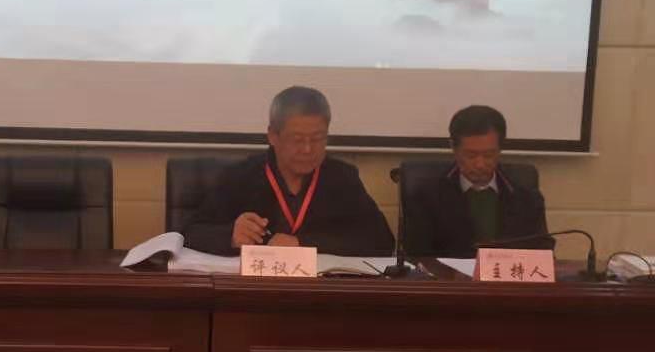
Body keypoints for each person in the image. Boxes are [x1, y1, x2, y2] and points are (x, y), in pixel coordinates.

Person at [184, 86, 394, 256]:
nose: (307, 149)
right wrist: (229, 235)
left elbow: (382, 240)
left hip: (320, 289)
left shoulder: (342, 177)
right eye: (297, 139)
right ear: (272, 136)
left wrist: (302, 243)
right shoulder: (241, 176)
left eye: (318, 138)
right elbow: (190, 233)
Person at [401, 104, 548, 258]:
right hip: (450, 274)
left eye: (489, 155)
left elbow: (542, 253)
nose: (480, 164)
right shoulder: (426, 196)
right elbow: (417, 256)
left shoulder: (526, 197)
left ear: (500, 149)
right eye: (471, 155)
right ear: (453, 148)